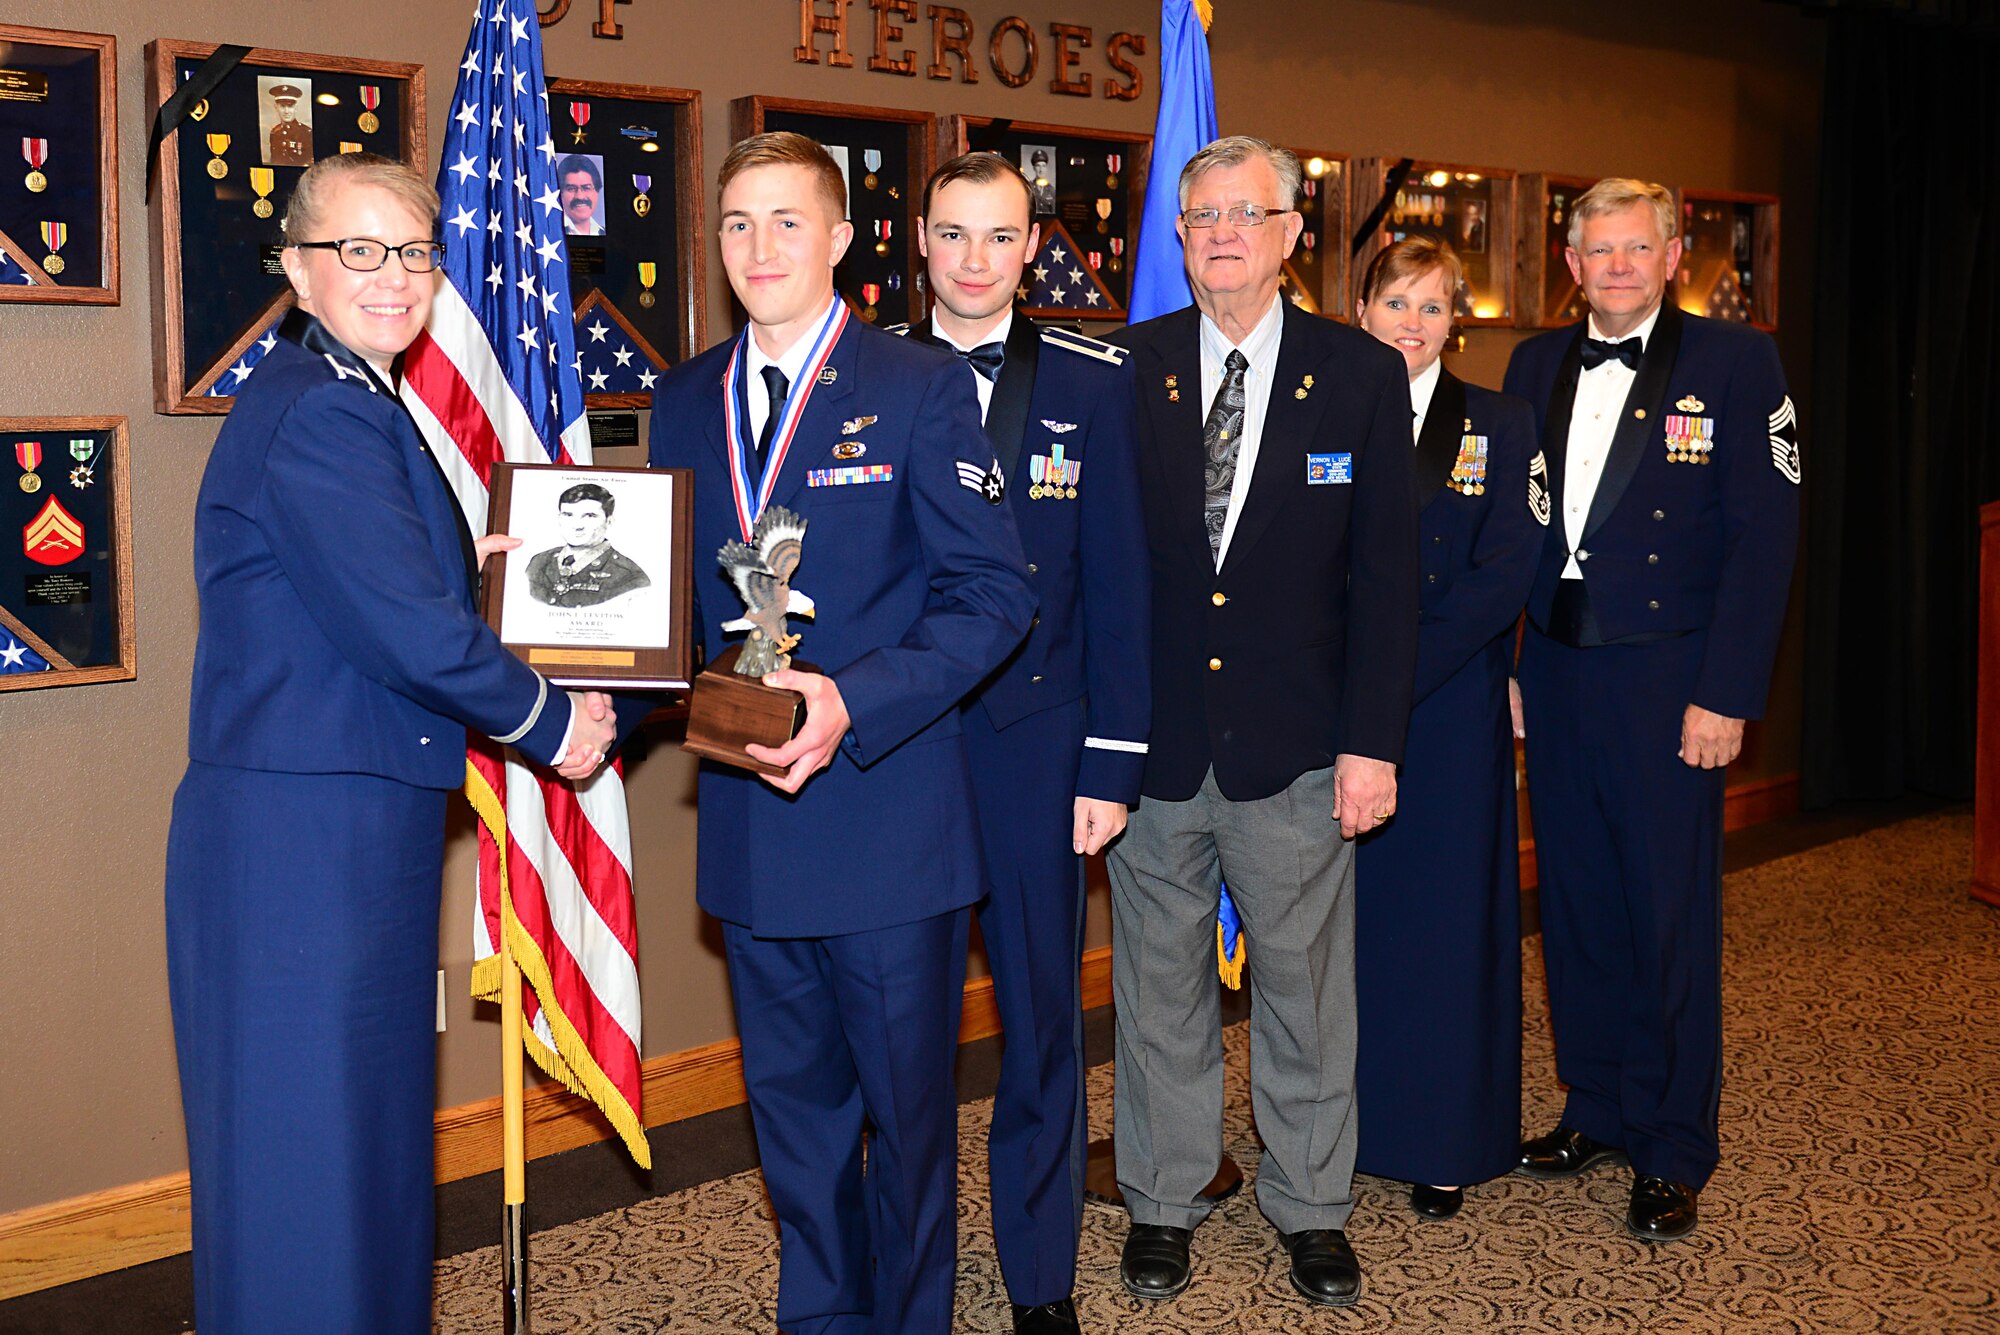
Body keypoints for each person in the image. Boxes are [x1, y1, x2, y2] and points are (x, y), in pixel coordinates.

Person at [165, 152, 613, 1334]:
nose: (391, 277)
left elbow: (360, 594)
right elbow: (402, 631)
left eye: (412, 251)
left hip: (338, 829)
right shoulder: (323, 412)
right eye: (357, 251)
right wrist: (552, 719)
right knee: (307, 1170)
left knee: (355, 1149)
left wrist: (473, 577)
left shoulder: (354, 397)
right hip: (302, 845)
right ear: (298, 271)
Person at [612, 131, 1035, 1334]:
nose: (759, 248)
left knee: (904, 1132)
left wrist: (852, 694)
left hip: (885, 822)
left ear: (841, 240)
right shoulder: (683, 398)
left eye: (787, 221)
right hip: (750, 819)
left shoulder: (916, 387)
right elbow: (669, 618)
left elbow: (996, 599)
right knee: (794, 1132)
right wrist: (578, 658)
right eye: (738, 223)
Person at [1105, 136, 1418, 1309]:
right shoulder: (1122, 369)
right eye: (1198, 216)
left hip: (1296, 748)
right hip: (1152, 748)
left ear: (1293, 233)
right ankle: (1163, 1201)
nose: (1220, 232)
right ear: (1175, 237)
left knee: (1302, 990)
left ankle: (1310, 1206)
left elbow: (1387, 581)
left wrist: (1371, 742)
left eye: (1245, 212)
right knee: (1156, 991)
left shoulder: (1357, 374)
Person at [1502, 178, 1799, 1240]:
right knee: (1575, 903)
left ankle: (1671, 1144)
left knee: (1664, 916)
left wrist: (1725, 693)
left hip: (1671, 683)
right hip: (1560, 676)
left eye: (1637, 248)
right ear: (1569, 263)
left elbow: (1764, 540)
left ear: (1673, 256)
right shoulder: (1532, 364)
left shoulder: (1735, 362)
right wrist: (1508, 663)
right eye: (1598, 250)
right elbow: (1511, 530)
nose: (1617, 266)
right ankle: (1596, 1105)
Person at [894, 151, 1150, 1335]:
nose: (974, 261)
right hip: (895, 746)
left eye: (999, 238)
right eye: (953, 235)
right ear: (918, 241)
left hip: (1038, 746)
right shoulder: (866, 374)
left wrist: (1109, 761)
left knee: (1042, 1023)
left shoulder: (1098, 383)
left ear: (1033, 245)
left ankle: (1040, 1278)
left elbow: (1122, 585)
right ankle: (906, 1275)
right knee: (898, 1033)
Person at [1349, 237, 1541, 1221]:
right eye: (1395, 302)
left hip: (1447, 706)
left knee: (1446, 931)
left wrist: (1396, 675)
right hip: (1337, 714)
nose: (1412, 324)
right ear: (1361, 307)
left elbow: (1510, 563)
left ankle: (1443, 1141)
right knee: (1346, 935)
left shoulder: (1498, 423)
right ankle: (1346, 1131)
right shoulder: (1324, 413)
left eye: (1431, 307)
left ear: (1453, 320)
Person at [525, 481, 650, 607]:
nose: (577, 525)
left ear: (609, 521)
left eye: (589, 516)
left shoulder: (630, 576)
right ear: (559, 518)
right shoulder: (539, 562)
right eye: (568, 515)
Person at [559, 153, 604, 236]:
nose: (580, 196)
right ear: (560, 193)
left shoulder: (603, 232)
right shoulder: (553, 235)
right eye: (571, 189)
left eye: (586, 188)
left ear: (597, 191)